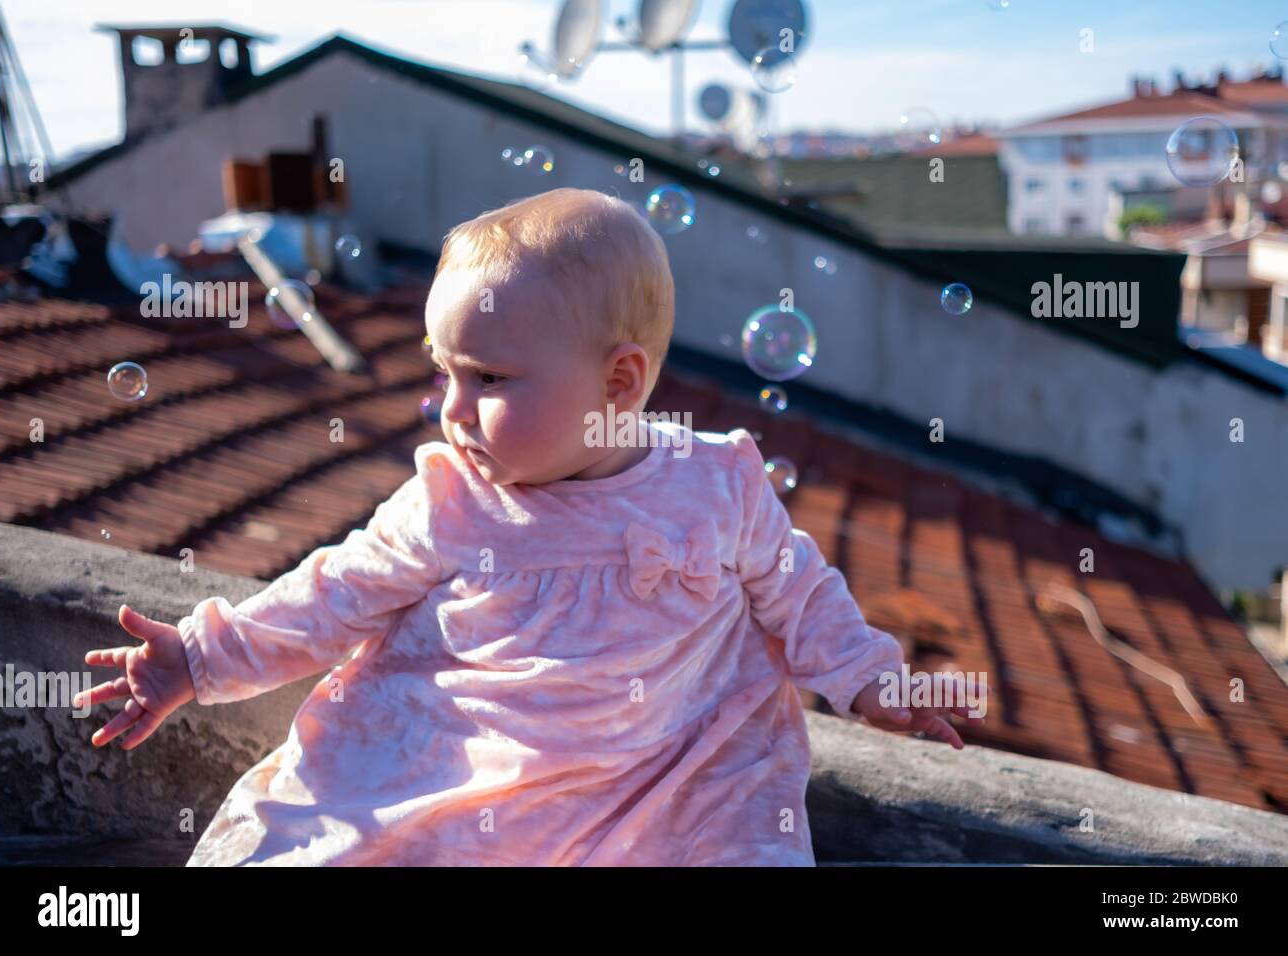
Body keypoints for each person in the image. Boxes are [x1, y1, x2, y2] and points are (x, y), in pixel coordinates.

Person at [75, 187, 978, 865]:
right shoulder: (454, 499)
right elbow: (331, 594)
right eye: (447, 372)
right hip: (477, 761)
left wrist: (872, 680)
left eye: (491, 380)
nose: (452, 409)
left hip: (669, 777)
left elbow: (800, 592)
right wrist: (198, 659)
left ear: (619, 385)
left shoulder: (717, 484)